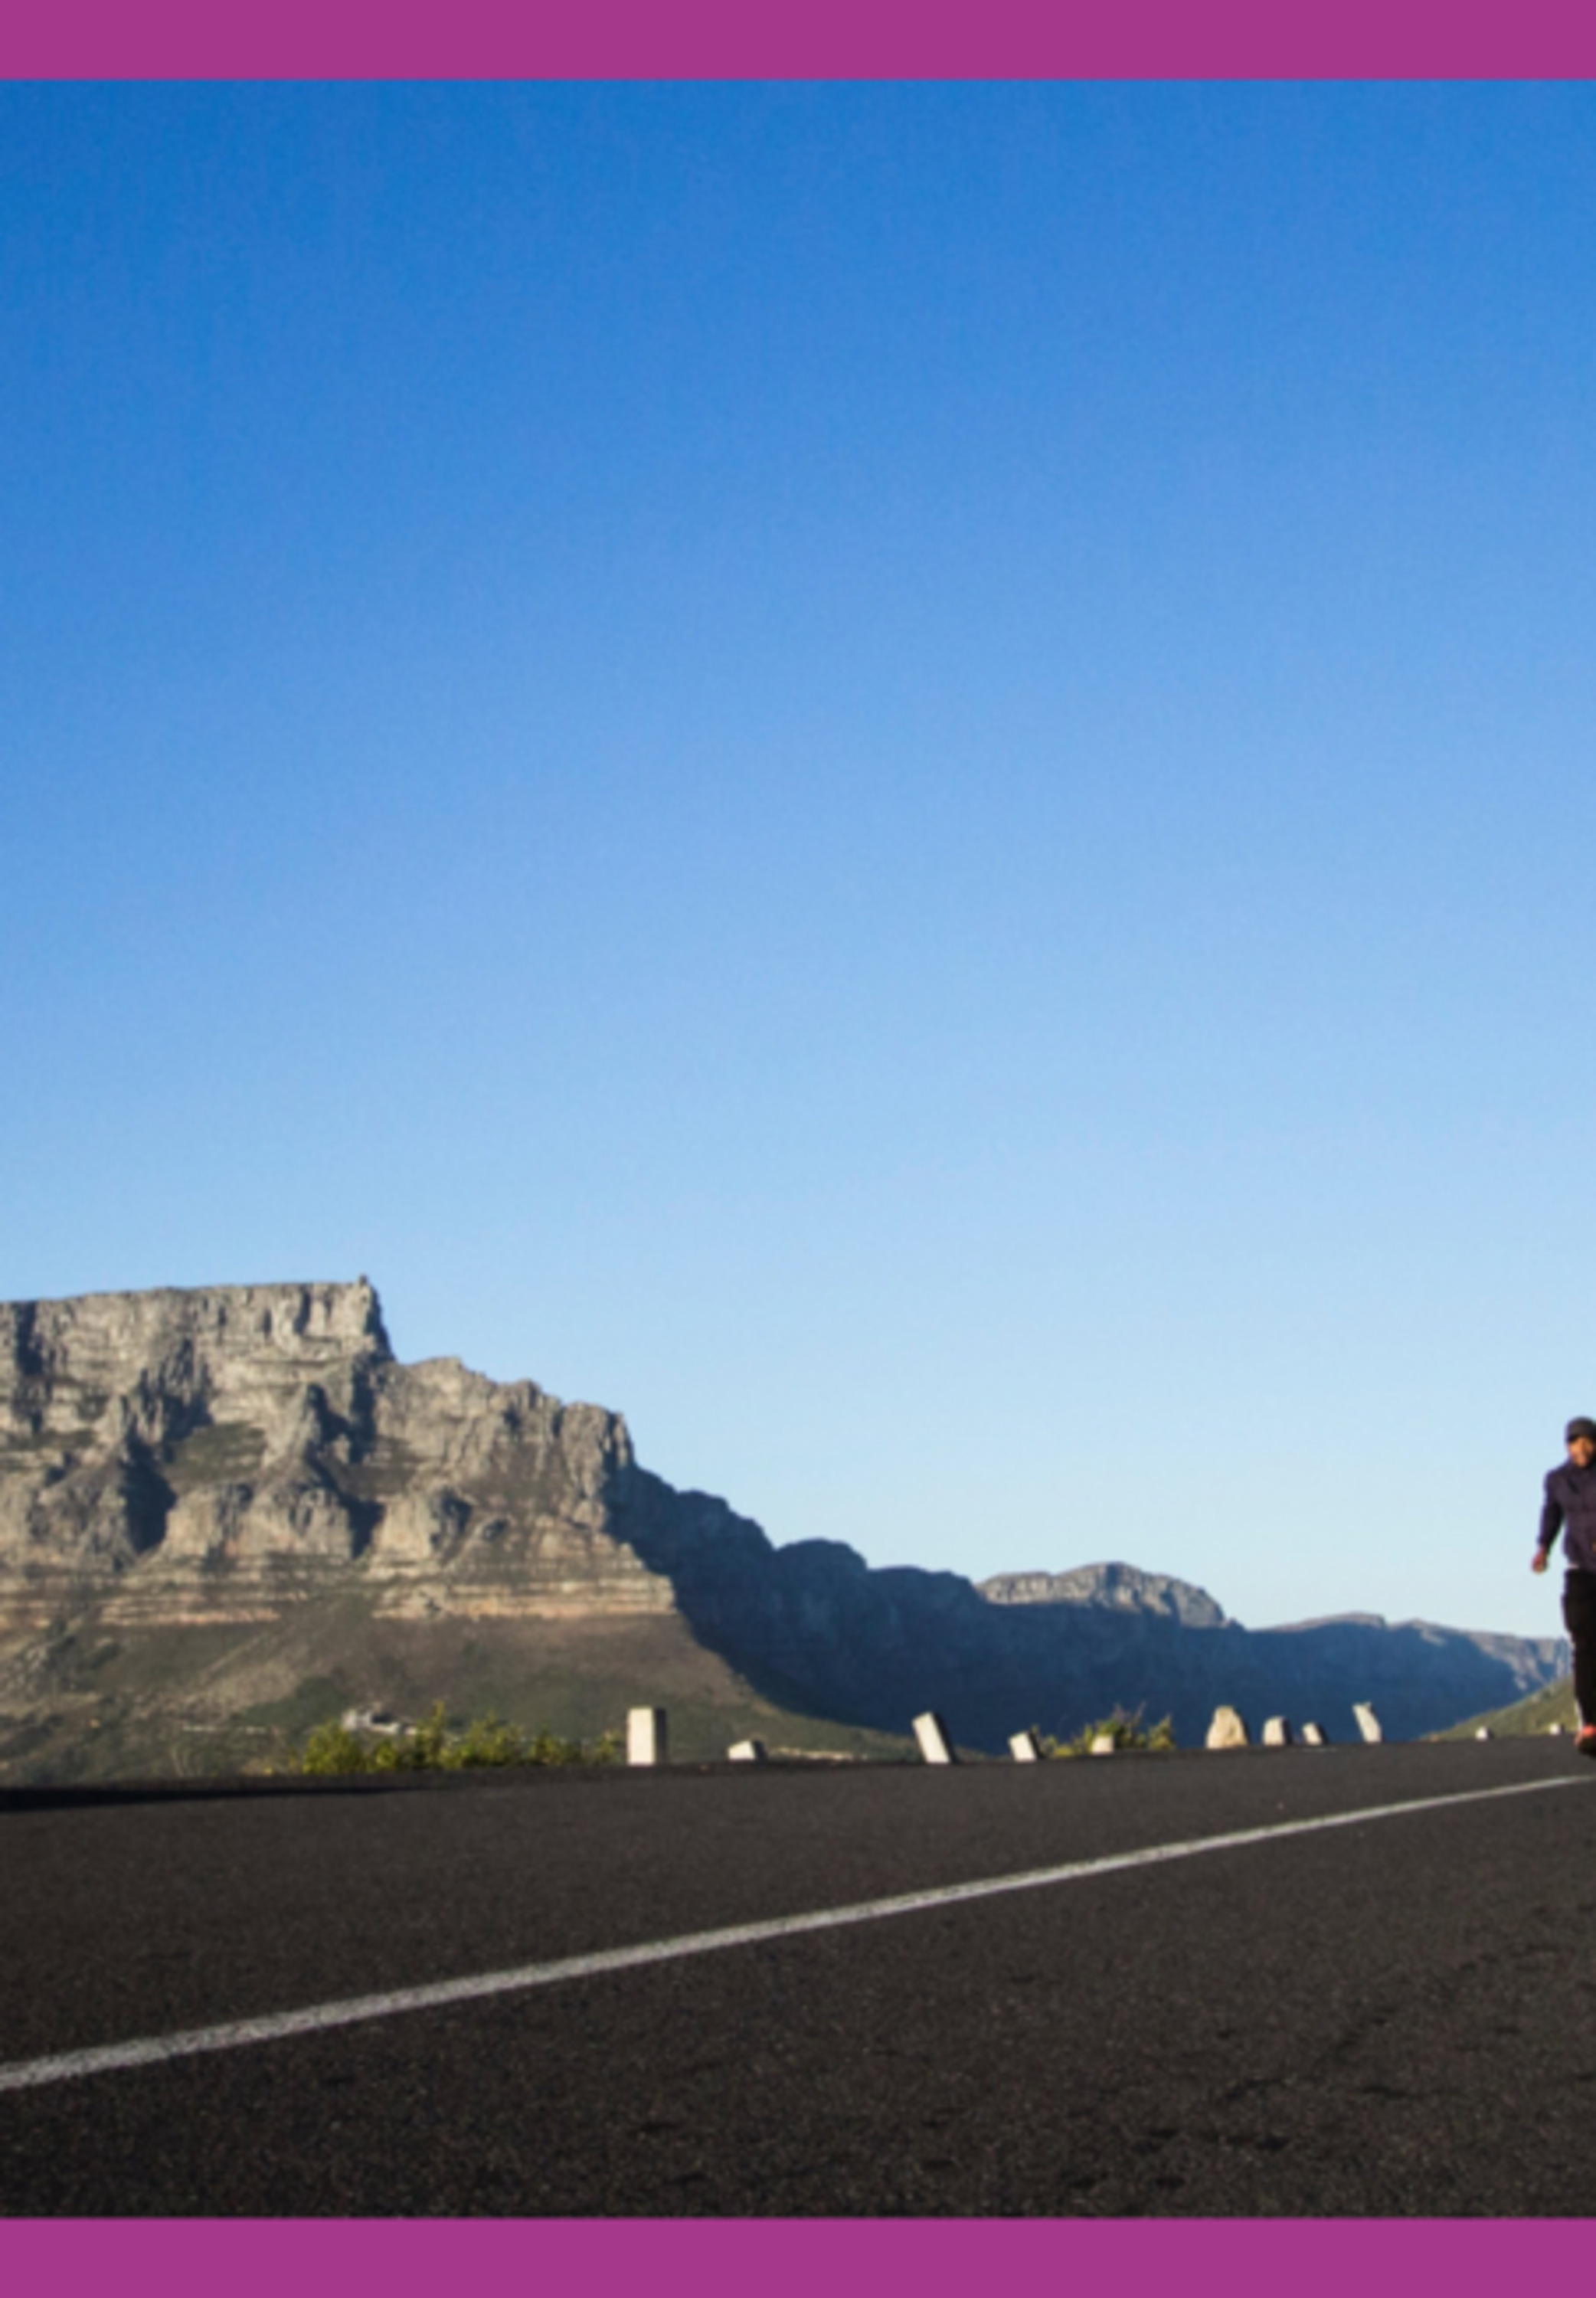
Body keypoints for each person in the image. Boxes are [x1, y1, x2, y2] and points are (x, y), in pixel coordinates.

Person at [1532, 1416, 1596, 1755]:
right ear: (1567, 1446)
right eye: (1575, 1442)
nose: (1581, 1448)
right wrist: (1543, 1547)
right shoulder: (1557, 1480)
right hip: (1580, 1570)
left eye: (1588, 1441)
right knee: (1584, 1642)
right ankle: (1590, 1723)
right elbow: (1552, 1514)